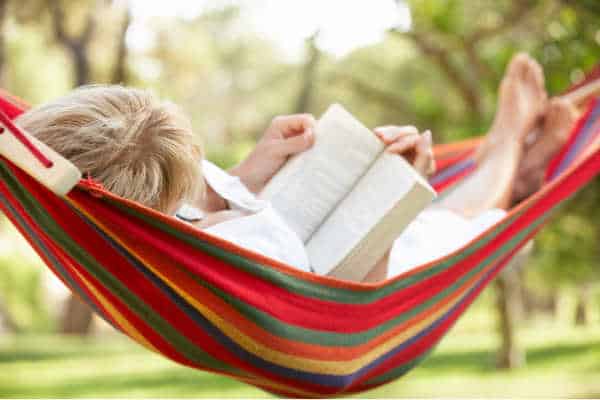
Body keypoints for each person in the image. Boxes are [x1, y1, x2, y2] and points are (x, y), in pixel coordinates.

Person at [14, 53, 577, 282]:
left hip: (336, 236)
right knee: (466, 219)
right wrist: (398, 200)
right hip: (397, 268)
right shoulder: (225, 259)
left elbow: (188, 210)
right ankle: (509, 147)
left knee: (465, 208)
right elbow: (354, 307)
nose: (206, 194)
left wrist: (253, 171)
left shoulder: (150, 220)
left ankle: (516, 170)